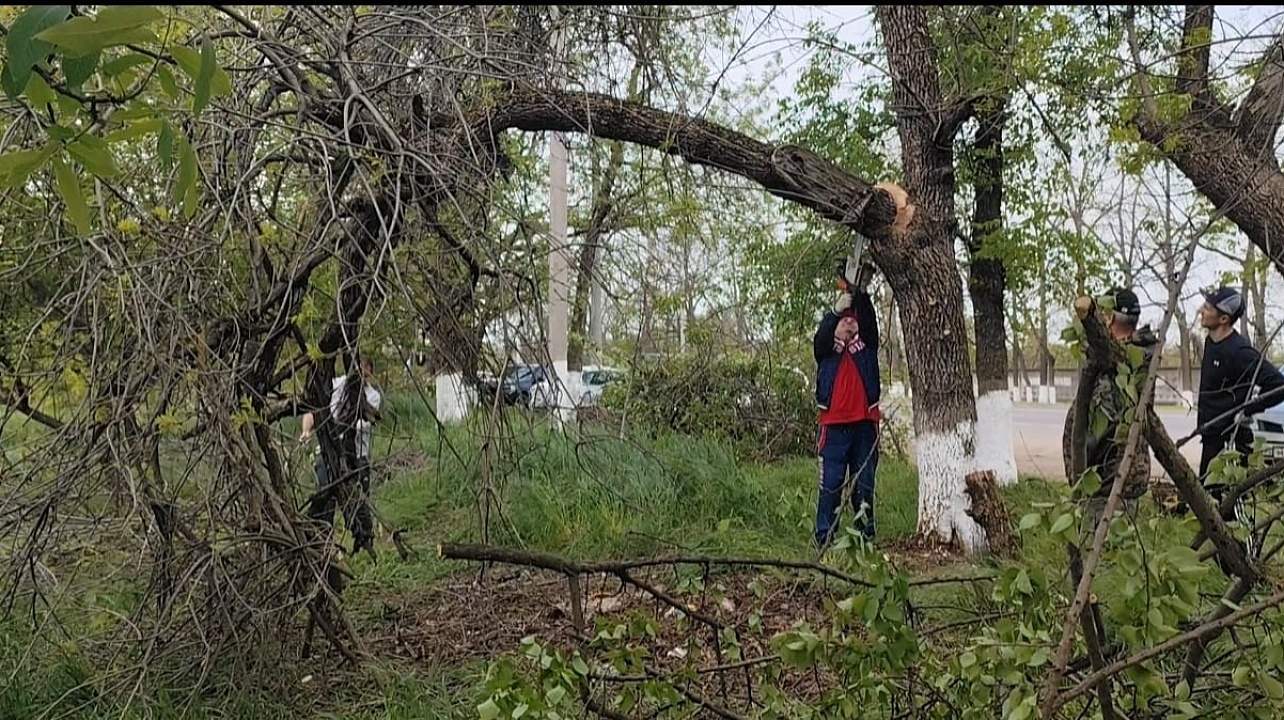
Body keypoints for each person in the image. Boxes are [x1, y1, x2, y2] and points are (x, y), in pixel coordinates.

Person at [1061, 287, 1159, 525]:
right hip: (1118, 477)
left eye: (1104, 314)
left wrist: (1083, 472)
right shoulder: (1139, 355)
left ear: (1111, 317)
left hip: (1107, 478)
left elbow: (1101, 427)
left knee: (1102, 552)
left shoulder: (1121, 364)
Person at [812, 263, 880, 549]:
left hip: (865, 426)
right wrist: (834, 313)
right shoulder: (827, 350)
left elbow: (868, 321)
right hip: (835, 428)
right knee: (831, 484)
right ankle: (825, 537)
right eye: (845, 320)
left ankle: (865, 537)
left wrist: (860, 293)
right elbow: (821, 337)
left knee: (864, 484)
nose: (850, 324)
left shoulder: (867, 346)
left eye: (853, 321)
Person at [1195, 286, 1284, 481]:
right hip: (1211, 437)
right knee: (1206, 500)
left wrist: (1247, 409)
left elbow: (1279, 385)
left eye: (1208, 308)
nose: (1201, 310)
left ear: (1224, 319)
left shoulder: (1240, 351)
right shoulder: (1211, 342)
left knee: (1225, 502)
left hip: (1231, 442)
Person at [300, 354, 383, 553]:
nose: (361, 372)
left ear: (370, 371)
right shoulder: (336, 385)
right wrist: (307, 430)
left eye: (365, 368)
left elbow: (362, 424)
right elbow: (314, 410)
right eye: (358, 367)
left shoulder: (371, 396)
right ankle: (321, 541)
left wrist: (335, 425)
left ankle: (364, 542)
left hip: (356, 455)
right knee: (324, 496)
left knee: (359, 499)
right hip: (327, 453)